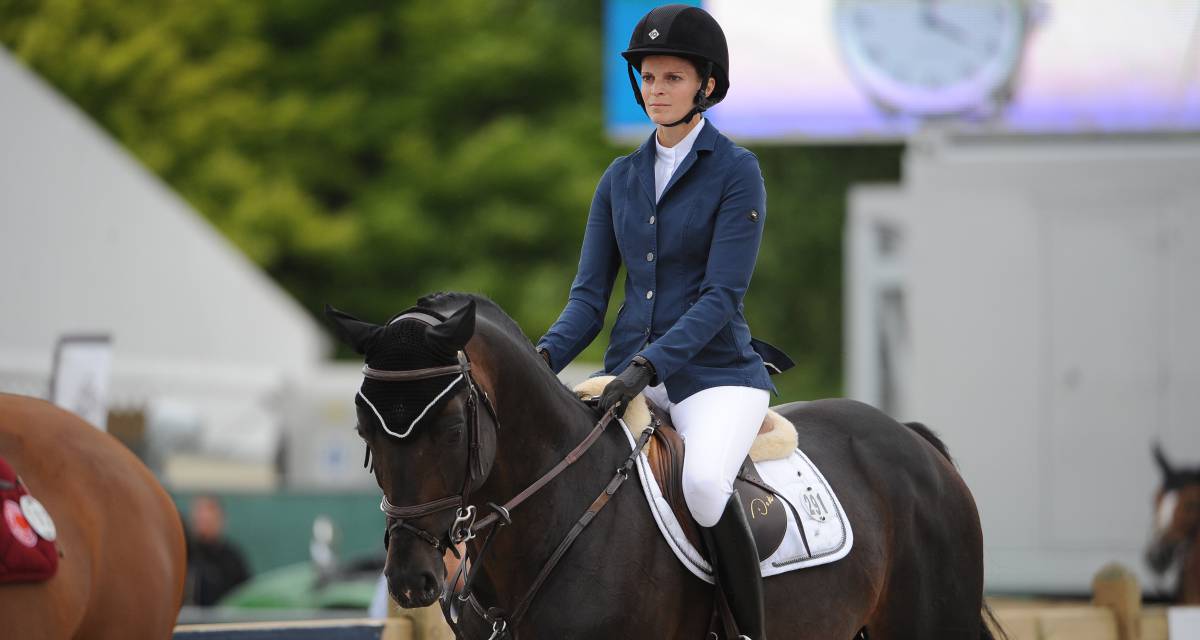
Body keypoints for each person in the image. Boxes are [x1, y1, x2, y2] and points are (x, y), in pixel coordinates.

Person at [536, 5, 787, 638]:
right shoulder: (618, 179)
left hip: (716, 376)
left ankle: (745, 631)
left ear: (705, 85)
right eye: (647, 78)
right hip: (630, 374)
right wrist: (537, 365)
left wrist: (646, 367)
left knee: (703, 485)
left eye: (671, 78)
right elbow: (588, 302)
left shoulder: (737, 172)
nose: (655, 91)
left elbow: (720, 297)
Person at [184, 495, 250, 607]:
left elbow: (245, 593)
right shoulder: (186, 555)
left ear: (221, 519)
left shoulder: (232, 558)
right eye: (199, 513)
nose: (203, 517)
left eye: (209, 512)